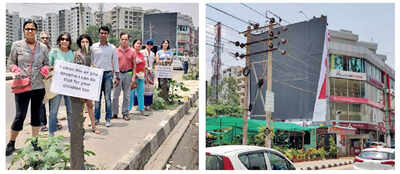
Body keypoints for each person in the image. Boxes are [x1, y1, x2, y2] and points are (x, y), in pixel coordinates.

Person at [6, 20, 49, 156]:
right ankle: (11, 143)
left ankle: (35, 142)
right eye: (27, 29)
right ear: (24, 31)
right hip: (22, 86)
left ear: (36, 31)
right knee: (20, 116)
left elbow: (47, 63)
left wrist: (45, 70)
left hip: (38, 87)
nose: (30, 31)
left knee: (36, 115)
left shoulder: (43, 47)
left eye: (32, 29)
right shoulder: (16, 45)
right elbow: (10, 62)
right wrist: (15, 69)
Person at [91, 26, 120, 127]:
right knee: (97, 99)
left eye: (105, 33)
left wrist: (117, 76)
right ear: (99, 34)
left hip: (108, 75)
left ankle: (108, 119)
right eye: (101, 33)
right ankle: (97, 119)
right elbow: (91, 61)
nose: (103, 35)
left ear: (108, 35)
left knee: (108, 98)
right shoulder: (93, 47)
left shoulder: (112, 48)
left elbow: (115, 62)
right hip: (96, 75)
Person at [48, 32, 74, 137]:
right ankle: (51, 134)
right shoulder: (54, 52)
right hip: (56, 84)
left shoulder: (72, 53)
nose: (64, 41)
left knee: (71, 110)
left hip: (68, 85)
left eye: (67, 39)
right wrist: (57, 68)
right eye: (62, 39)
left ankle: (72, 132)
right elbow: (48, 67)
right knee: (54, 110)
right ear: (59, 41)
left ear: (69, 42)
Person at [74, 34, 100, 134]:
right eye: (83, 42)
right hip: (79, 83)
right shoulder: (76, 54)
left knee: (90, 105)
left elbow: (94, 64)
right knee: (79, 107)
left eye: (87, 42)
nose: (85, 44)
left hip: (88, 83)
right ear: (79, 43)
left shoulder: (91, 53)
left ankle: (93, 126)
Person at [112, 33, 134, 121]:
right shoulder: (115, 51)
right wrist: (113, 76)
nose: (124, 41)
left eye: (126, 39)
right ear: (120, 40)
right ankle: (114, 113)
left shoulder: (132, 51)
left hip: (128, 73)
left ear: (128, 40)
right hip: (118, 74)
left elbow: (134, 65)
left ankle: (125, 113)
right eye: (122, 39)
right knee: (115, 95)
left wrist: (133, 77)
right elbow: (112, 64)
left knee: (126, 95)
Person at [129, 39, 147, 116]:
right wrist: (133, 74)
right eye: (137, 43)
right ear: (134, 45)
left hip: (141, 77)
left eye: (140, 44)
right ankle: (128, 110)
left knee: (141, 93)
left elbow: (143, 66)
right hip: (133, 76)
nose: (139, 45)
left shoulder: (142, 55)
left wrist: (144, 75)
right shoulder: (131, 54)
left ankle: (141, 109)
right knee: (131, 94)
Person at [38, 31, 51, 132]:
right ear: (39, 39)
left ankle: (54, 121)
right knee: (41, 102)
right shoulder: (36, 50)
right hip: (40, 80)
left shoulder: (53, 51)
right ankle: (43, 123)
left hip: (51, 79)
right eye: (43, 38)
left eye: (47, 38)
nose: (45, 39)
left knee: (53, 102)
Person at [140, 39, 155, 111]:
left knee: (150, 89)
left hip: (150, 73)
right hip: (143, 72)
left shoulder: (152, 54)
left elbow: (153, 64)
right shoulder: (142, 52)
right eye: (148, 44)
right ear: (145, 45)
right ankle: (141, 104)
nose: (149, 46)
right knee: (143, 89)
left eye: (151, 44)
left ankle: (148, 105)